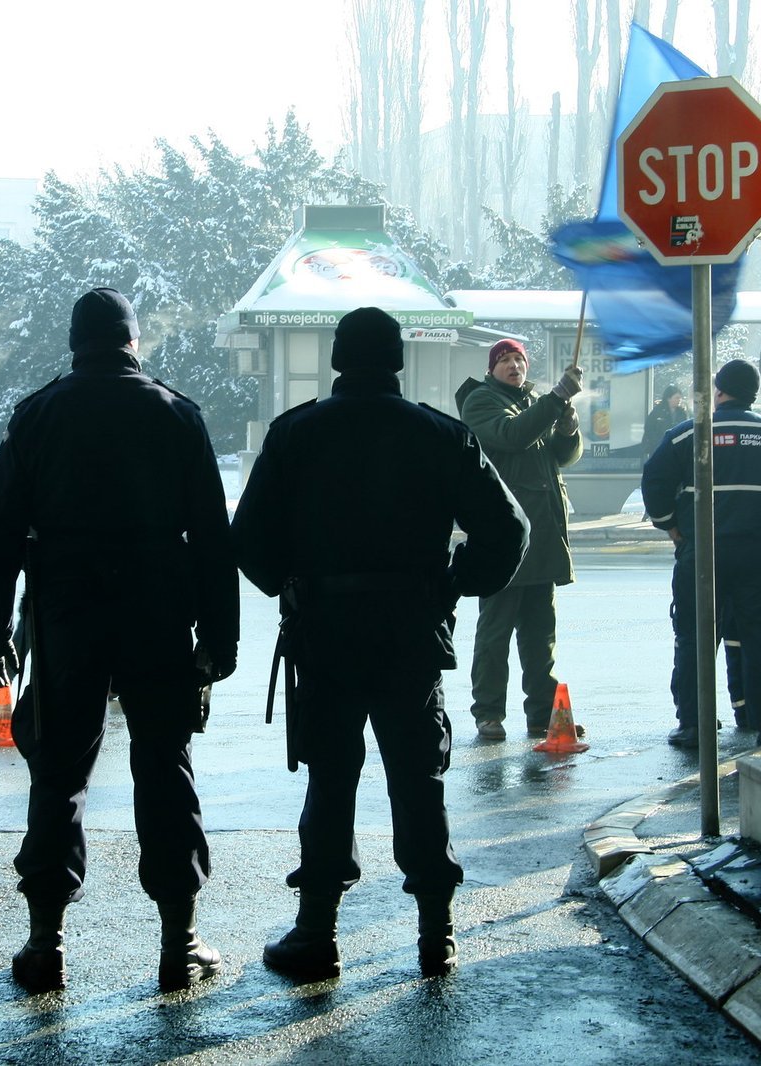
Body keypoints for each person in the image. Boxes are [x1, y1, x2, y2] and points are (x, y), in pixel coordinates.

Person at [232, 307, 528, 981]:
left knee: (330, 778)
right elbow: (508, 531)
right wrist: (453, 587)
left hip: (325, 630)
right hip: (409, 631)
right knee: (418, 778)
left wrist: (290, 584)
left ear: (338, 358)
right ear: (397, 360)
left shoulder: (295, 433)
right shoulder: (438, 434)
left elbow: (248, 541)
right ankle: (435, 932)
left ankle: (317, 932)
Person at [0, 287, 239, 994]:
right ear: (133, 340)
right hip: (156, 609)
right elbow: (212, 535)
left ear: (74, 341)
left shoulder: (37, 414)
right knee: (163, 767)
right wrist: (220, 638)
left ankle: (44, 945)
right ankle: (179, 945)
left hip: (67, 609)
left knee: (59, 773)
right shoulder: (176, 413)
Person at [641, 358, 761, 747]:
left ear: (719, 391)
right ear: (754, 394)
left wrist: (671, 527)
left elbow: (654, 482)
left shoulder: (687, 435)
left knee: (695, 638)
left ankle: (694, 724)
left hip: (703, 557)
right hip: (759, 556)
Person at [455, 338, 584, 741]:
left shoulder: (532, 404)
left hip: (543, 537)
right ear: (492, 368)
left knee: (540, 635)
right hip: (505, 538)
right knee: (496, 632)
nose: (514, 366)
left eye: (519, 360)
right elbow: (512, 436)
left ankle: (543, 714)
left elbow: (562, 457)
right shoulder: (481, 402)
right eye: (506, 360)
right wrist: (556, 399)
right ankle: (489, 712)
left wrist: (568, 426)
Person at [641, 383, 688, 457]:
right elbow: (648, 428)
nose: (679, 400)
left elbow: (685, 429)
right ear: (668, 398)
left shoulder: (682, 413)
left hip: (676, 449)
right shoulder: (657, 411)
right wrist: (658, 442)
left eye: (680, 398)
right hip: (658, 448)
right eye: (677, 398)